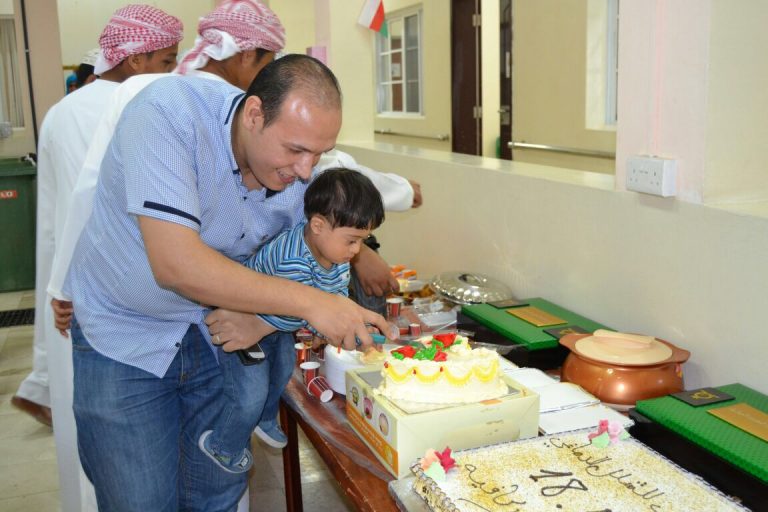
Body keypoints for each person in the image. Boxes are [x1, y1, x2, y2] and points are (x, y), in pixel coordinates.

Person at [64, 55, 391, 510]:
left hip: (215, 334)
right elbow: (177, 266)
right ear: (254, 114)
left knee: (215, 494)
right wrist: (313, 303)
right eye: (295, 151)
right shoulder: (169, 115)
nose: (305, 169)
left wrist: (363, 252)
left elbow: (323, 221)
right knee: (140, 500)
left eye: (318, 154)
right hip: (125, 337)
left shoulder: (296, 163)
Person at [11, 5, 182, 436]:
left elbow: (53, 221)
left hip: (73, 295)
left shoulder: (61, 112)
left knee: (85, 430)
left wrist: (59, 285)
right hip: (135, 301)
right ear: (136, 60)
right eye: (167, 62)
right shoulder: (149, 106)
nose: (172, 73)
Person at [200, 167, 386, 471]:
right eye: (352, 240)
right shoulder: (293, 259)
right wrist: (322, 324)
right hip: (242, 321)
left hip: (274, 324)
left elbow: (335, 296)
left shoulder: (335, 255)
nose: (356, 251)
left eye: (362, 241)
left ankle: (264, 418)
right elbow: (294, 311)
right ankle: (223, 446)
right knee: (250, 393)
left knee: (284, 370)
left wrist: (347, 321)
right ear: (318, 225)